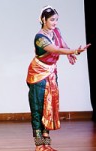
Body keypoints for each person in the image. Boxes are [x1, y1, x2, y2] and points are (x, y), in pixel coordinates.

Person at [26, 5, 91, 151]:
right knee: (38, 110)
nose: (55, 23)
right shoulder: (39, 38)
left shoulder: (56, 31)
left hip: (51, 73)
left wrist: (69, 53)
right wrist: (73, 50)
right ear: (43, 20)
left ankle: (47, 144)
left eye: (56, 20)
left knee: (48, 108)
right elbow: (54, 49)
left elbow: (61, 44)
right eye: (52, 20)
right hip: (38, 75)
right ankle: (39, 145)